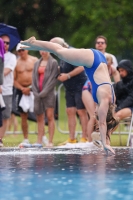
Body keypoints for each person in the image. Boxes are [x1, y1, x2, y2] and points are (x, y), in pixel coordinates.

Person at [20, 36, 118, 154]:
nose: (95, 114)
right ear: (104, 112)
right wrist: (105, 144)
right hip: (93, 61)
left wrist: (106, 141)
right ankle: (34, 42)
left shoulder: (110, 99)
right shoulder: (104, 100)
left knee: (61, 51)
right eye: (99, 114)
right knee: (60, 52)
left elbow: (108, 122)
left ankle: (35, 44)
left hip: (99, 58)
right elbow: (102, 123)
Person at [50, 37, 89, 144]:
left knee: (81, 111)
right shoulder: (62, 54)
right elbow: (65, 67)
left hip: (79, 86)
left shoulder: (72, 52)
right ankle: (72, 138)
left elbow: (82, 66)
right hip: (69, 87)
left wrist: (67, 75)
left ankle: (84, 137)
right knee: (70, 111)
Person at [31, 50, 58, 147]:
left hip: (49, 93)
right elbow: (33, 78)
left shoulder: (53, 62)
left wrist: (44, 92)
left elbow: (53, 79)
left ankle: (50, 141)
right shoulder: (37, 63)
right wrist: (35, 91)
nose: (43, 52)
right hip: (38, 93)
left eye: (45, 50)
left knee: (50, 116)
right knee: (39, 117)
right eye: (41, 50)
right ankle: (39, 140)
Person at [14, 43, 38, 147]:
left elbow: (39, 76)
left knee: (39, 113)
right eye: (19, 51)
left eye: (23, 50)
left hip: (34, 88)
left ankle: (41, 137)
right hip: (22, 90)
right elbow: (14, 80)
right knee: (23, 115)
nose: (21, 52)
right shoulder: (16, 63)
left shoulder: (34, 60)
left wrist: (31, 88)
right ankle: (26, 138)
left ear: (27, 50)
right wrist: (22, 88)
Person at [0, 35, 17, 147]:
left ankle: (0, 139)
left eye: (8, 43)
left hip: (5, 90)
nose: (5, 45)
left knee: (5, 116)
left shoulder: (11, 57)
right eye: (4, 42)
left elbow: (6, 71)